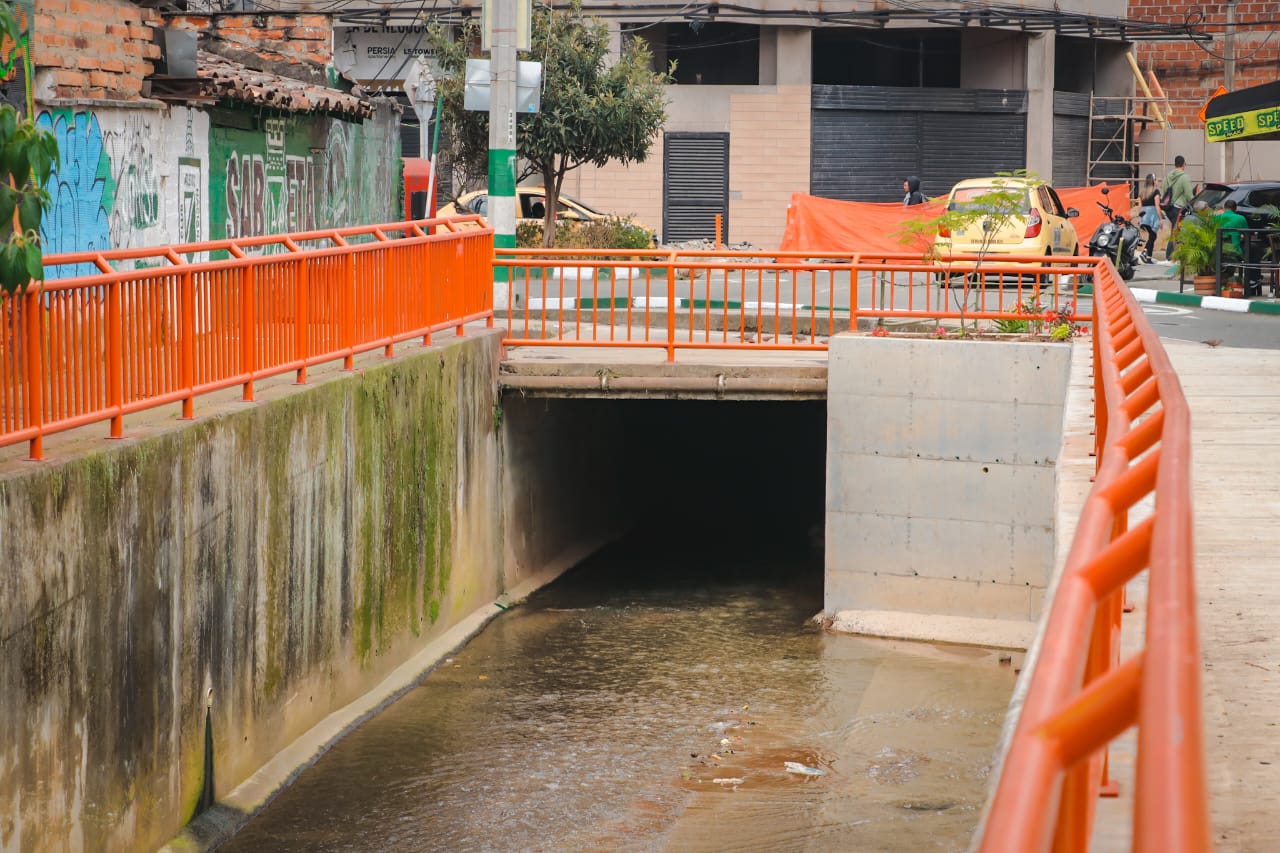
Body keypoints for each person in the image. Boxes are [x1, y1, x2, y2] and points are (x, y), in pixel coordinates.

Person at [1160, 155, 1195, 235]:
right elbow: (1189, 196)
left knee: (1176, 232)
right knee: (1176, 234)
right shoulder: (1185, 177)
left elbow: (1165, 191)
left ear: (1175, 164)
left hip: (1168, 209)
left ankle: (1174, 247)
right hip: (1178, 209)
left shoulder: (1167, 177)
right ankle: (1170, 248)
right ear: (1183, 164)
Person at [1137, 173, 1160, 262]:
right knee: (1153, 235)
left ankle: (1148, 257)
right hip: (1153, 217)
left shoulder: (1142, 192)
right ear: (1153, 181)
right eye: (1156, 179)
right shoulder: (1156, 191)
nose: (1157, 181)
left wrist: (1140, 218)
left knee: (1152, 236)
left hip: (1144, 216)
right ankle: (1145, 252)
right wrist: (1161, 218)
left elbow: (1140, 206)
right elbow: (1157, 206)